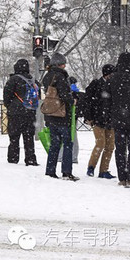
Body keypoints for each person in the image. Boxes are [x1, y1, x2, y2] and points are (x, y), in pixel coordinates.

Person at [42, 52, 79, 181]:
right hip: (62, 115)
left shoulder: (47, 76)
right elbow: (64, 95)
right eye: (63, 64)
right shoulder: (60, 76)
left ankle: (50, 170)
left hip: (51, 114)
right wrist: (72, 100)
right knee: (67, 143)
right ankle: (66, 172)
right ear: (60, 64)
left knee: (54, 144)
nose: (65, 66)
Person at [106, 52, 130, 188]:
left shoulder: (113, 79)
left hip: (118, 118)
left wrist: (109, 116)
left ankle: (122, 177)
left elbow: (107, 100)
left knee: (120, 149)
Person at [3, 58, 39, 166]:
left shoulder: (13, 80)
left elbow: (6, 97)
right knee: (29, 138)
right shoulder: (33, 81)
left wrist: (11, 107)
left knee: (14, 137)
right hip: (30, 113)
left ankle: (13, 158)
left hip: (16, 113)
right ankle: (30, 159)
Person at [84, 64, 116, 179]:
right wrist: (88, 117)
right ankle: (91, 167)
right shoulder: (96, 84)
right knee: (100, 144)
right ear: (107, 74)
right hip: (98, 119)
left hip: (110, 120)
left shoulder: (113, 85)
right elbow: (88, 101)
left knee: (110, 146)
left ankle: (103, 170)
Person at [58, 76, 81, 164]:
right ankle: (73, 157)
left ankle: (61, 156)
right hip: (71, 118)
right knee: (72, 138)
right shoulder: (74, 94)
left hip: (63, 117)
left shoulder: (64, 92)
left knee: (64, 138)